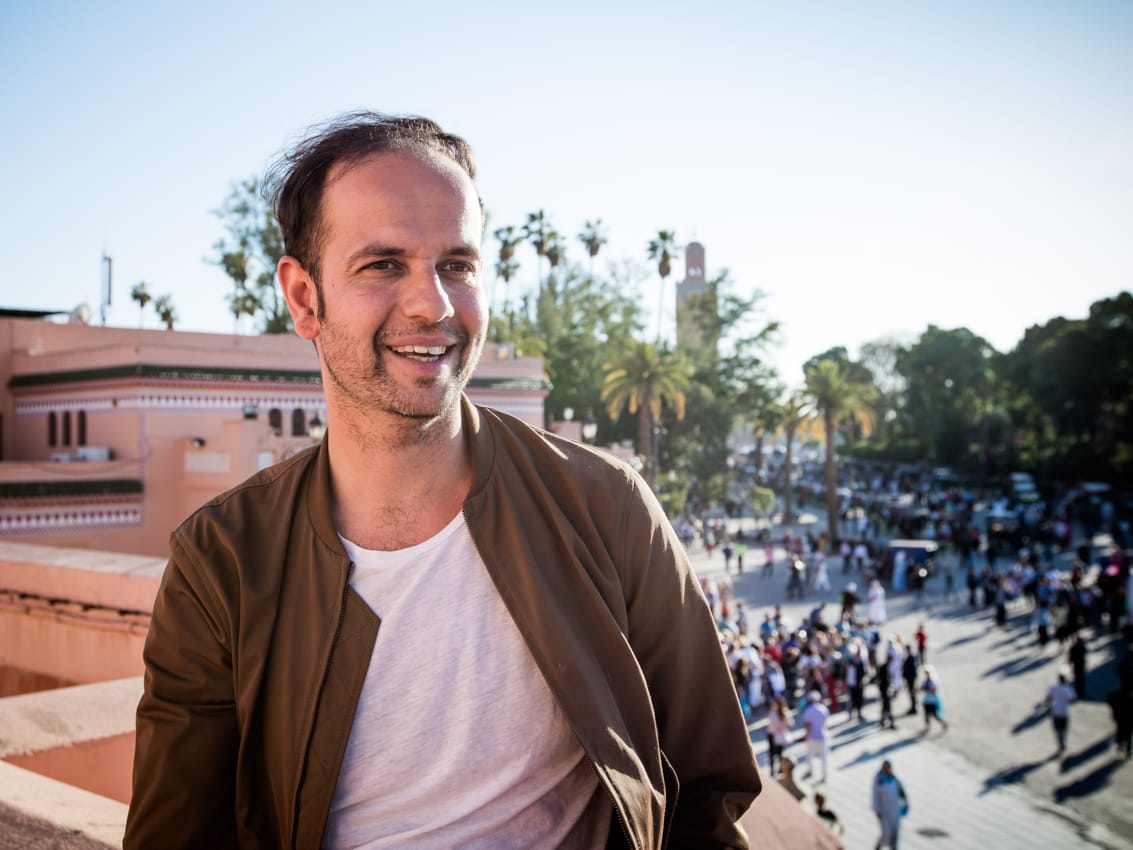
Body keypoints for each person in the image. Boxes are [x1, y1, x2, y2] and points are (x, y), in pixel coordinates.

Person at [123, 112, 761, 849]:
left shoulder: (605, 508)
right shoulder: (222, 563)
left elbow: (705, 796)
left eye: (457, 265)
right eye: (382, 265)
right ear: (303, 298)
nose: (433, 303)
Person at [871, 760, 908, 850]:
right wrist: (877, 809)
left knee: (895, 833)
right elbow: (875, 796)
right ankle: (879, 845)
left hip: (895, 810)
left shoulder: (894, 779)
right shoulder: (879, 780)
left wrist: (905, 805)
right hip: (885, 811)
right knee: (886, 833)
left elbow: (902, 792)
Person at [801, 690, 831, 784]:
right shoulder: (823, 708)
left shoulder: (809, 711)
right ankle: (825, 776)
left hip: (812, 736)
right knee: (824, 757)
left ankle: (811, 771)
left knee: (810, 755)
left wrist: (806, 736)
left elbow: (808, 726)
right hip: (823, 735)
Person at [1046, 671, 1077, 754]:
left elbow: (1048, 698)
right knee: (1064, 729)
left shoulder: (1053, 688)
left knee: (1056, 729)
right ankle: (1062, 741)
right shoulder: (1068, 689)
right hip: (1064, 712)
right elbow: (1073, 701)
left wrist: (1048, 708)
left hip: (1055, 711)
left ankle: (1060, 742)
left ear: (1058, 679)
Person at [766, 696, 794, 778]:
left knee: (772, 754)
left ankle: (772, 772)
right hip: (781, 736)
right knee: (780, 754)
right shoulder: (786, 713)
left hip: (773, 735)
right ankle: (780, 770)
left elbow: (771, 725)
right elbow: (791, 724)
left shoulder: (773, 713)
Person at [919, 665, 949, 734]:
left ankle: (944, 723)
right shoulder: (925, 681)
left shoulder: (933, 681)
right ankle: (927, 727)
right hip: (927, 700)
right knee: (926, 715)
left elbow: (934, 690)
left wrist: (926, 689)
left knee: (935, 715)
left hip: (933, 701)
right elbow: (921, 688)